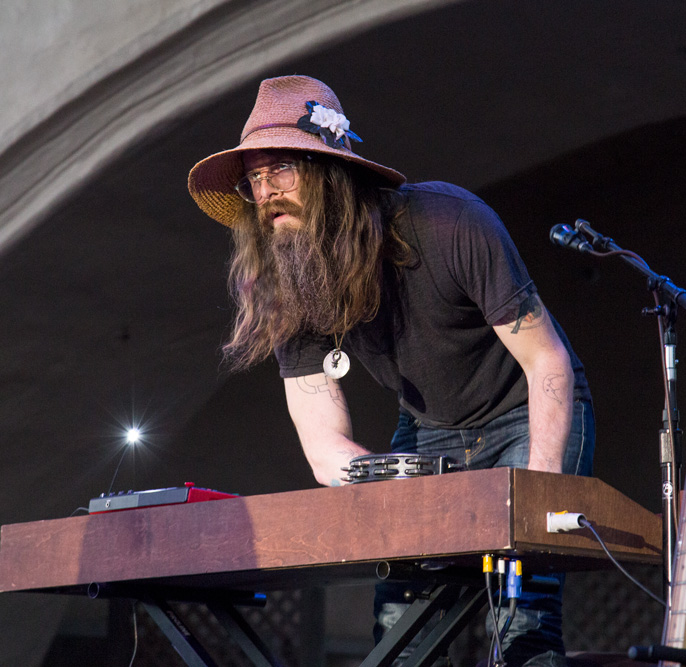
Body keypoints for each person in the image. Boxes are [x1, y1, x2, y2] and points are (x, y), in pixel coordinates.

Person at [188, 75, 594, 667]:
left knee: (521, 621)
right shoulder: (290, 283)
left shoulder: (449, 222)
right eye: (254, 178)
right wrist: (398, 490)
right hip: (427, 436)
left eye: (280, 169)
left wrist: (539, 493)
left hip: (524, 415)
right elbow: (324, 445)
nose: (265, 191)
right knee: (402, 634)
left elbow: (547, 360)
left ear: (330, 172)